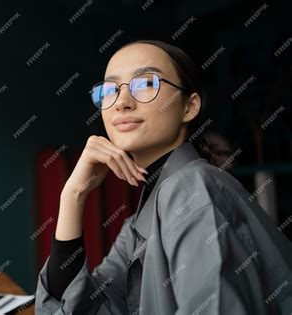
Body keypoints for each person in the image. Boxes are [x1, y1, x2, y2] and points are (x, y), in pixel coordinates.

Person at [35, 40, 292, 314]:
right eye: (110, 90)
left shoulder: (194, 188)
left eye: (146, 83)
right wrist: (73, 195)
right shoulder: (142, 218)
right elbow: (85, 308)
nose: (122, 102)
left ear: (189, 107)